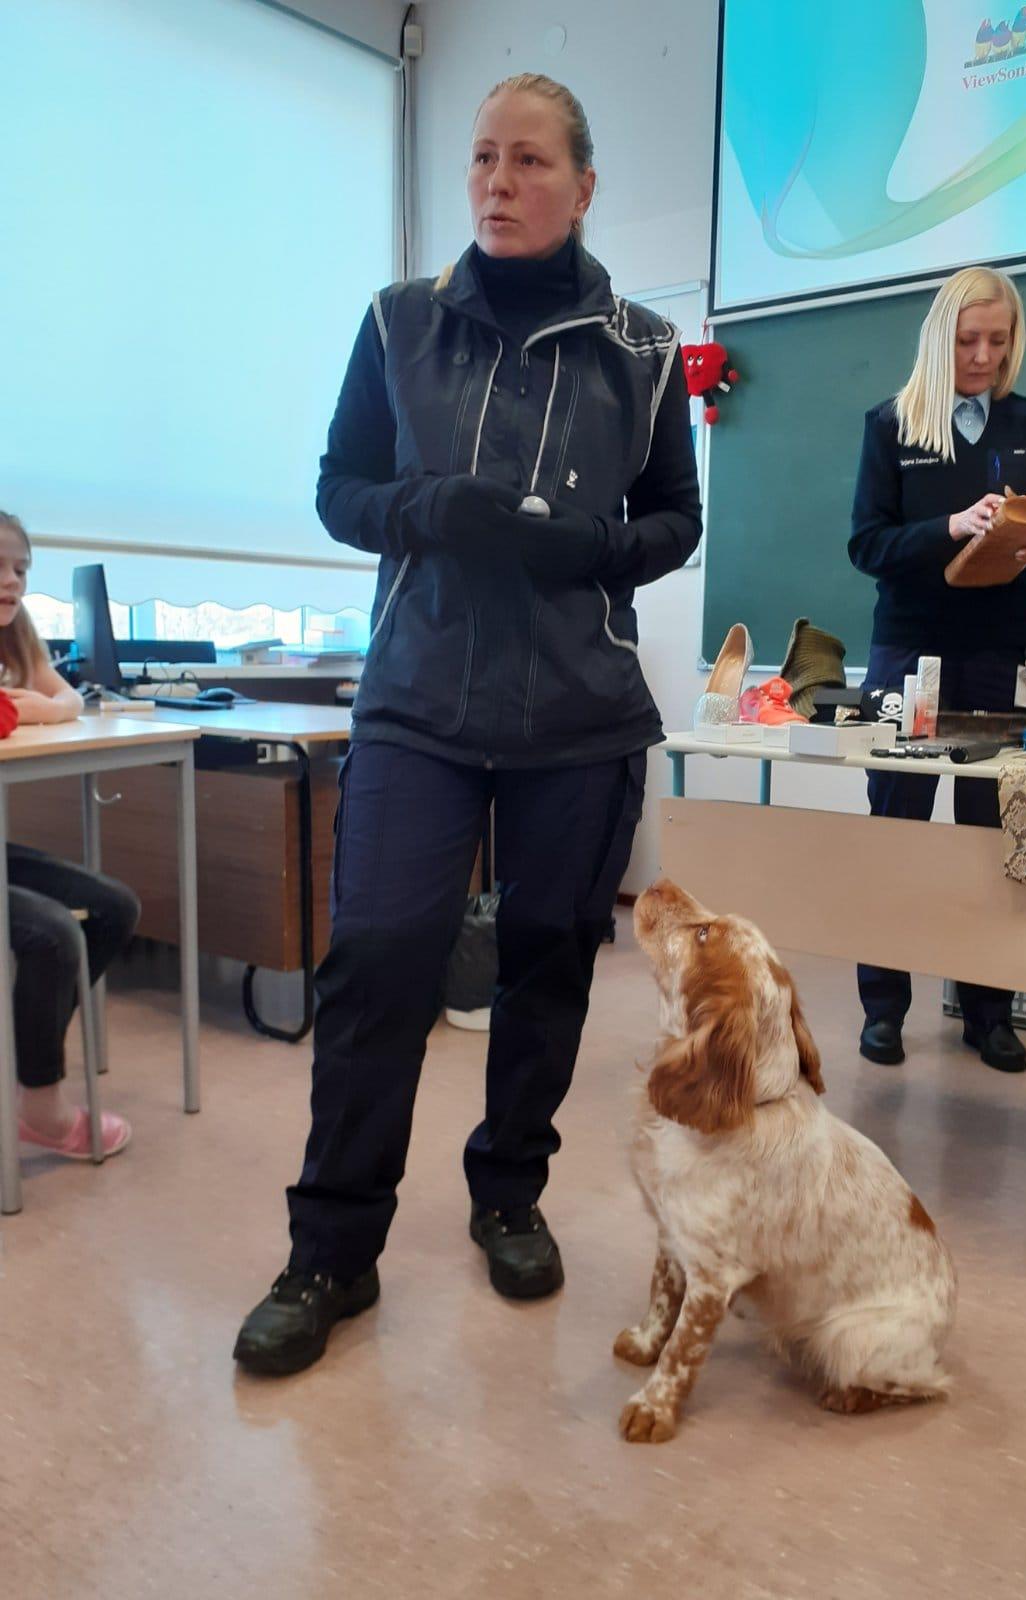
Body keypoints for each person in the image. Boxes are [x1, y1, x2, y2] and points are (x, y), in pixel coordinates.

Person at [234, 73, 702, 1375]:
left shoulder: (646, 350)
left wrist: (593, 548)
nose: (499, 181)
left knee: (546, 964)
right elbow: (341, 489)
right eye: (484, 158)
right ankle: (332, 1250)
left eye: (530, 161)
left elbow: (677, 519)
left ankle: (510, 1194)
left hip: (582, 709)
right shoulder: (398, 322)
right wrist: (424, 510)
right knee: (381, 956)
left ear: (584, 186)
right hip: (419, 700)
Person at [848, 267, 1026, 1075]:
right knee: (898, 833)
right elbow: (867, 545)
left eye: (997, 341)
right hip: (912, 655)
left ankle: (989, 1013)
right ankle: (884, 1011)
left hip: (1004, 657)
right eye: (968, 340)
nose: (982, 356)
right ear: (940, 338)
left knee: (992, 841)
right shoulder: (891, 424)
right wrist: (949, 526)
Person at [0, 511, 139, 1158]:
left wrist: (43, 707)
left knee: (113, 906)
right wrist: (26, 709)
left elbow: (70, 699)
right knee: (52, 933)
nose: (11, 582)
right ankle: (44, 1106)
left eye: (21, 569)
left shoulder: (16, 631)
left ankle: (30, 1066)